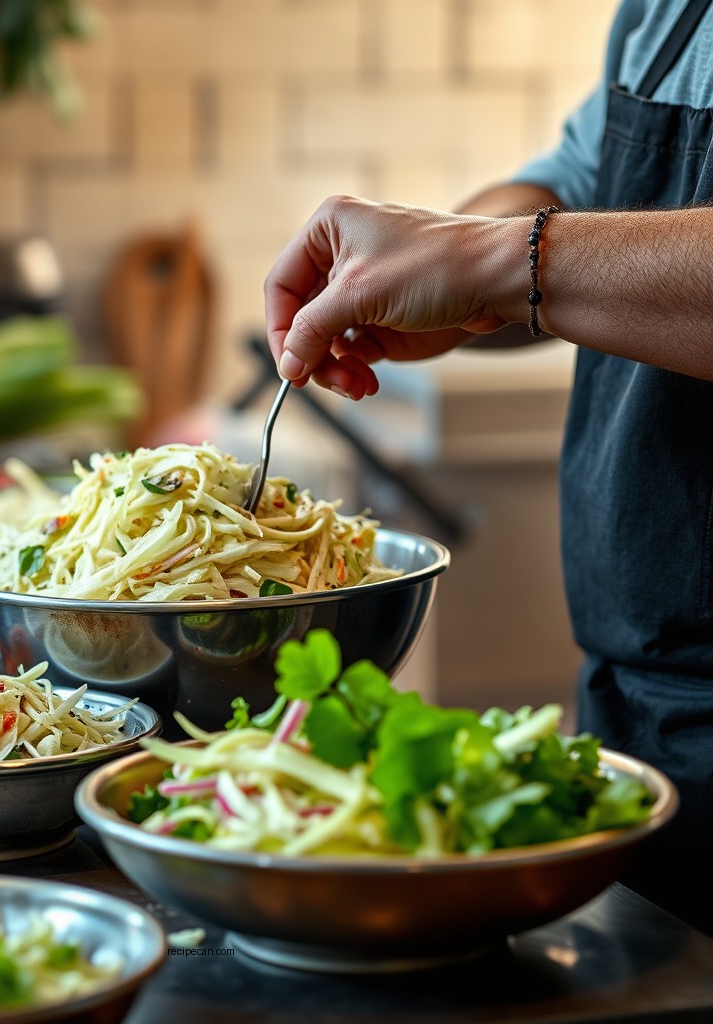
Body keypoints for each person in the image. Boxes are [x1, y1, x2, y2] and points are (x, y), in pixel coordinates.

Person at [264, 0, 713, 936]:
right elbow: (583, 194)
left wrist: (491, 261)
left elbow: (540, 256)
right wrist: (446, 259)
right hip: (638, 704)